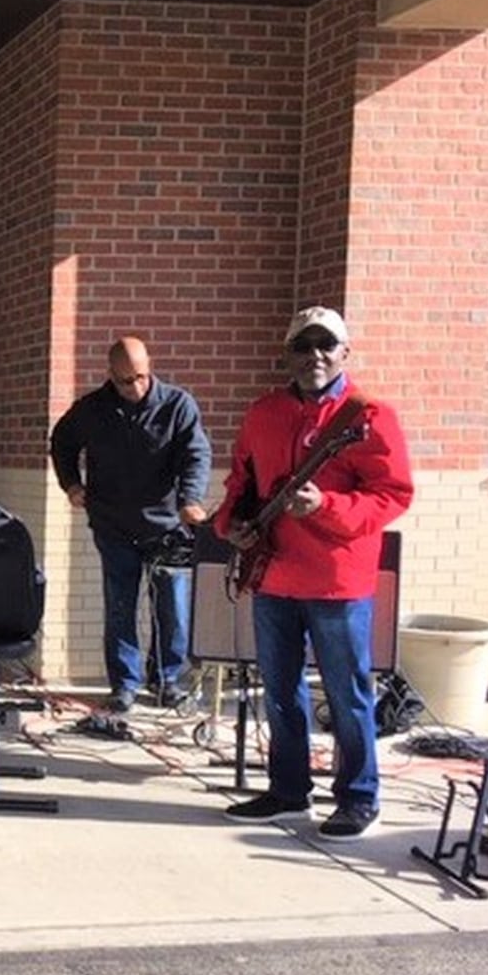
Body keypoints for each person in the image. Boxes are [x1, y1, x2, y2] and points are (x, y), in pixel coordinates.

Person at [216, 305, 414, 840]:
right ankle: (287, 790)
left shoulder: (368, 416)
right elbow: (243, 481)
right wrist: (229, 523)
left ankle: (357, 796)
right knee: (278, 692)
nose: (315, 356)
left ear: (345, 352)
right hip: (274, 575)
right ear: (289, 355)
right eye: (303, 347)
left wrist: (325, 505)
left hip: (336, 582)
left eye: (326, 345)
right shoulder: (263, 412)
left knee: (346, 695)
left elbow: (392, 495)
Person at [51, 335, 212, 713]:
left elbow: (196, 454)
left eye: (141, 376)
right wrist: (72, 484)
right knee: (120, 606)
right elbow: (62, 441)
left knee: (171, 606)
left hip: (167, 525)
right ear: (110, 375)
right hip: (112, 524)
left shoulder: (177, 405)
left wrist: (190, 500)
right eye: (126, 381)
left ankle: (168, 680)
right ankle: (124, 683)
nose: (136, 387)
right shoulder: (91, 409)